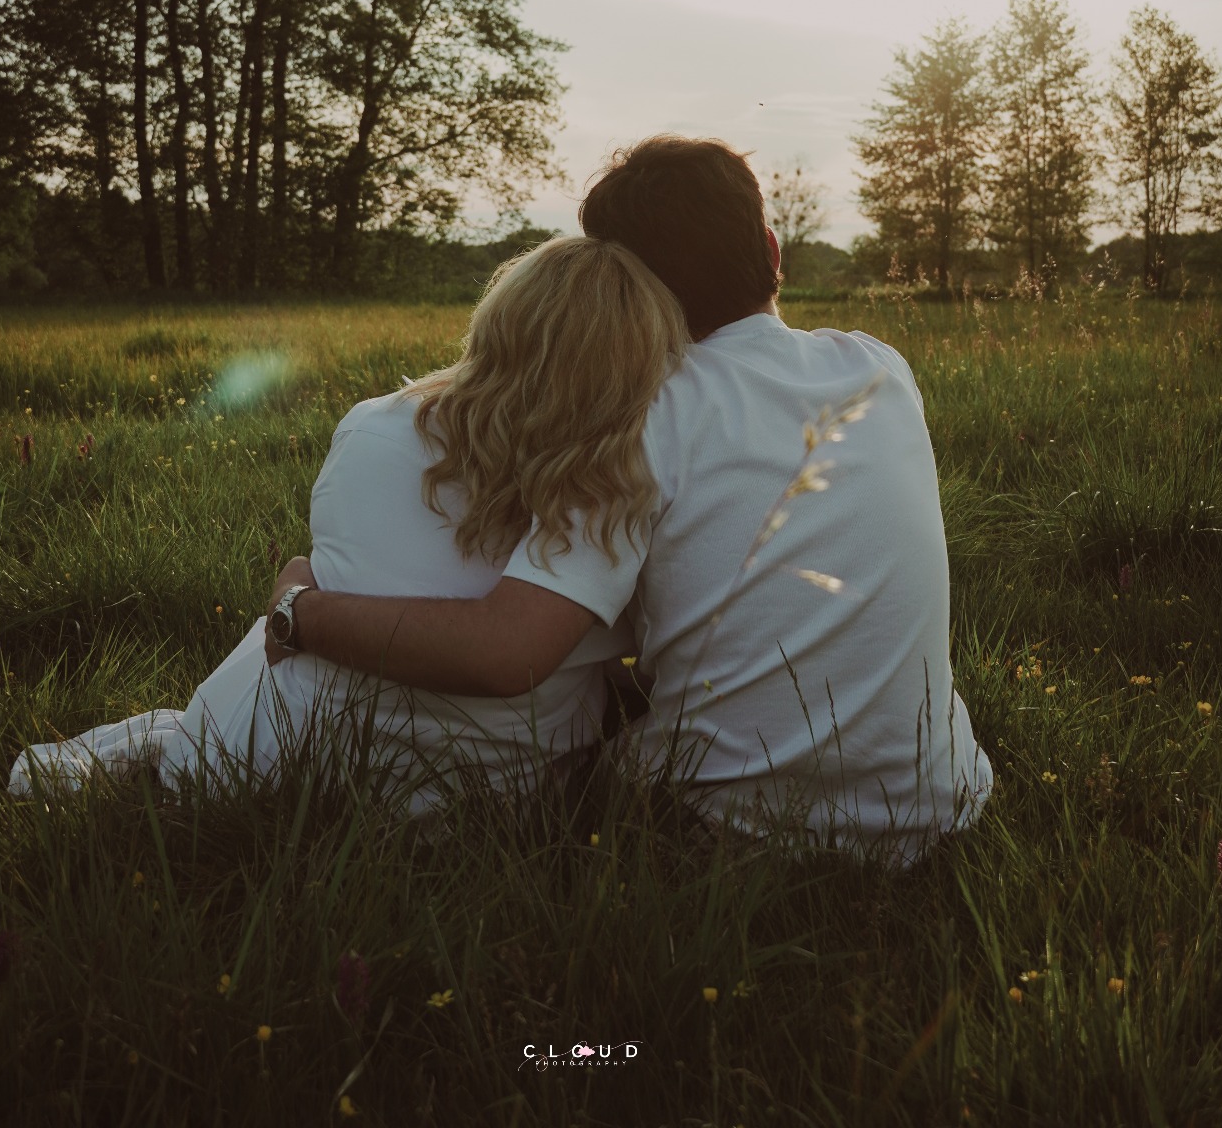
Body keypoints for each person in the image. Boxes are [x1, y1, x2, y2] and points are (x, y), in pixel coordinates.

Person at [267, 136, 992, 860]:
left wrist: (301, 609)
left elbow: (506, 654)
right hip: (938, 805)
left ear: (617, 287)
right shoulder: (879, 370)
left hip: (726, 831)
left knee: (569, 745)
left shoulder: (633, 418)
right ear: (772, 252)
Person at [8, 235, 686, 807]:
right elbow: (509, 652)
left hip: (264, 760)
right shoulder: (612, 477)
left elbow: (374, 568)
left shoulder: (372, 423)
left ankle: (181, 735)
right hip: (469, 792)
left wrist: (299, 603)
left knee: (306, 599)